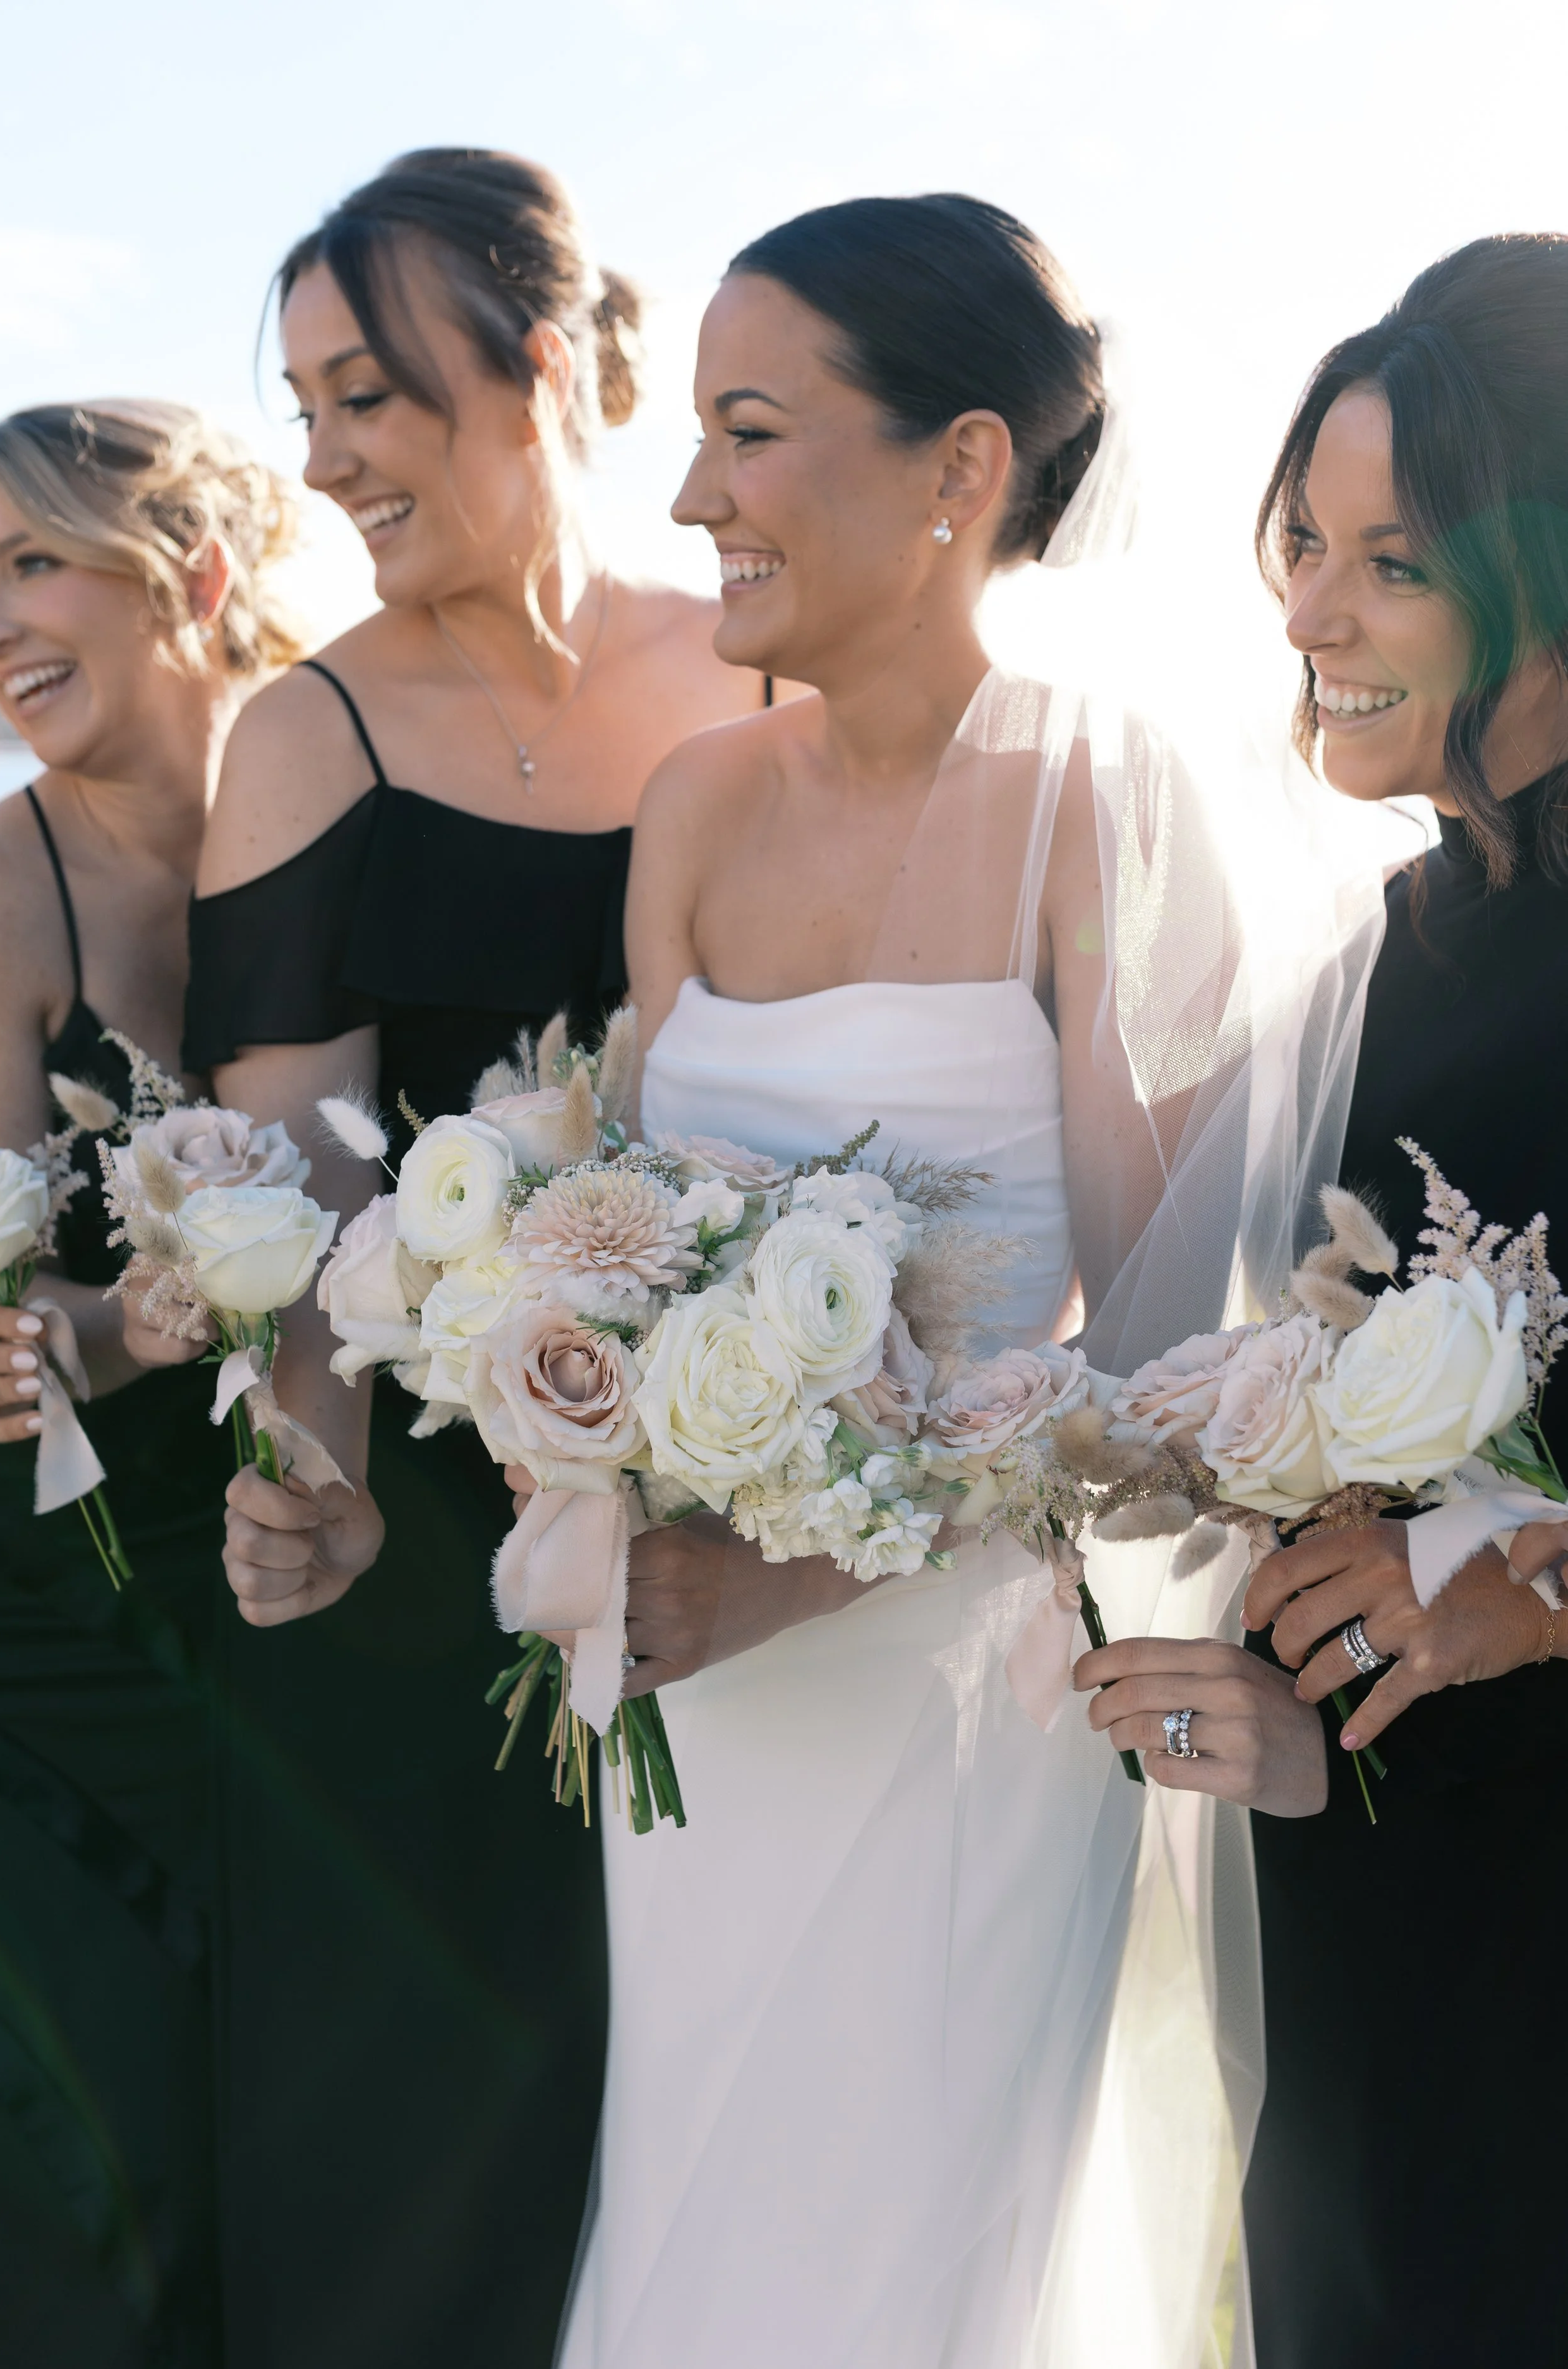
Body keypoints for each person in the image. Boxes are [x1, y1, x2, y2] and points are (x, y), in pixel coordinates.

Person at [550, 195, 1363, 2369]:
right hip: (695, 1720)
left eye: (746, 429)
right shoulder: (693, 807)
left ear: (960, 469)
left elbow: (1174, 1371)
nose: (690, 495)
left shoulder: (1094, 804)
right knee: (684, 2262)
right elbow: (612, 1244)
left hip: (949, 1708)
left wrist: (799, 1581)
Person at [183, 149, 778, 2368]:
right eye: (306, 406)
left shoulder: (743, 674)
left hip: (744, 1531)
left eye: (371, 398)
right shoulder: (304, 730)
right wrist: (307, 1469)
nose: (323, 458)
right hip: (425, 1585)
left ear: (535, 368)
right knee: (415, 2181)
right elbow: (298, 1195)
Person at [1232, 236, 1568, 2369]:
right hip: (1384, 1858)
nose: (1312, 619)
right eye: (1298, 549)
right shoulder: (1392, 938)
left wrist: (1512, 1581)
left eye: (1389, 564)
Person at [0, 399, 301, 2364]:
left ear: (185, 568)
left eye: (28, 560)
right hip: (65, 1625)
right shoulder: (2, 886)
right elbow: (3, 1324)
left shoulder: (343, 792)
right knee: (116, 2177)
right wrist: (135, 1319)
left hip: (350, 1582)